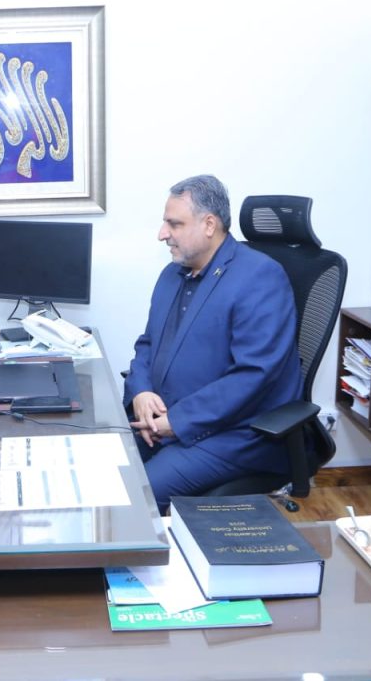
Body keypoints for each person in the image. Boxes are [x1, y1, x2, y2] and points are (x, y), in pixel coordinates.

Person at [123, 175, 301, 509]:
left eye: (174, 224)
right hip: (163, 420)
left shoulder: (261, 278)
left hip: (232, 436)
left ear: (209, 224)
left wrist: (177, 422)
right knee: (99, 468)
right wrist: (141, 392)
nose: (163, 234)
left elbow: (254, 375)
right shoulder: (172, 274)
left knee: (135, 498)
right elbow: (147, 343)